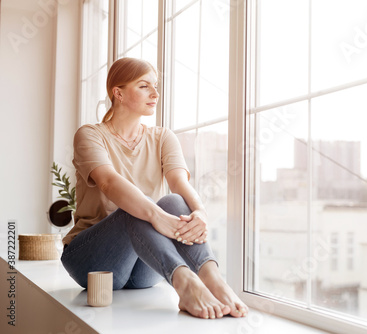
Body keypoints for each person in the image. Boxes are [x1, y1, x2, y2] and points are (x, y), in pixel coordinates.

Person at [61, 57, 248, 320]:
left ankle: (213, 280)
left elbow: (180, 184)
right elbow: (108, 182)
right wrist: (157, 218)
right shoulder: (90, 134)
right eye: (144, 86)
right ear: (118, 93)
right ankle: (185, 284)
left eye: (156, 86)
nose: (155, 93)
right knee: (134, 209)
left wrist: (200, 213)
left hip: (145, 268)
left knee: (173, 201)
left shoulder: (162, 137)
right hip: (93, 265)